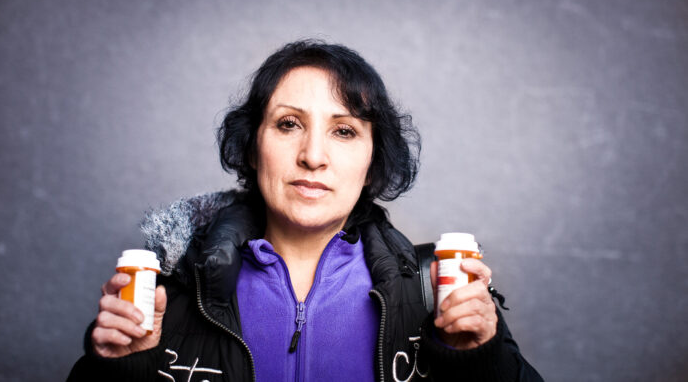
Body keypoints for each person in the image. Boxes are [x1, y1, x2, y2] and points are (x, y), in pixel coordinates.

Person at [68, 40, 543, 381]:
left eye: (344, 131)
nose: (313, 155)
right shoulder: (166, 298)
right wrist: (119, 370)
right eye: (289, 124)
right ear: (253, 150)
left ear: (373, 165)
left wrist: (479, 360)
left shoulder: (432, 295)